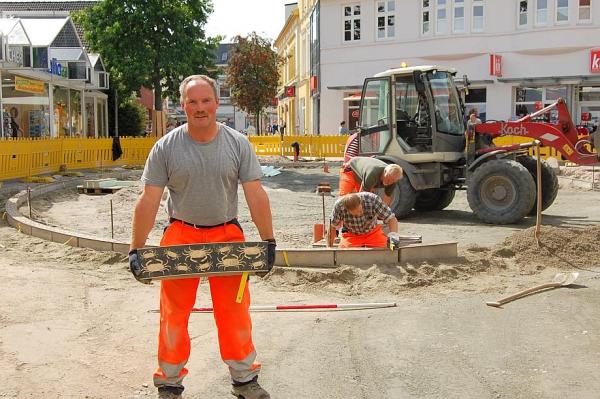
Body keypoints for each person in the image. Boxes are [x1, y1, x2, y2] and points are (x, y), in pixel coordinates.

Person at [128, 74, 275, 399]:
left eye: (205, 100)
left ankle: (244, 378)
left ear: (217, 102)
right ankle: (169, 381)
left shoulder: (237, 144)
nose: (199, 108)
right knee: (174, 314)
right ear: (183, 105)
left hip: (228, 234)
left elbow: (255, 193)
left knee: (234, 311)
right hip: (181, 234)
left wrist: (269, 241)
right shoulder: (166, 147)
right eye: (192, 102)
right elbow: (149, 199)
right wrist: (136, 248)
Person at [327, 192, 399, 248]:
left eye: (360, 211)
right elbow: (332, 226)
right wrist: (329, 247)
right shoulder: (339, 206)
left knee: (387, 248)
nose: (358, 214)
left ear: (361, 202)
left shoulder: (373, 199)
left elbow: (391, 218)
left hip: (372, 233)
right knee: (343, 253)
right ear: (347, 210)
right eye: (355, 214)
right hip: (352, 236)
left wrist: (393, 236)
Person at [339, 156, 403, 206]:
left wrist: (384, 215)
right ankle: (337, 220)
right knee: (345, 199)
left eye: (392, 181)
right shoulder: (372, 173)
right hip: (350, 170)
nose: (389, 182)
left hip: (362, 177)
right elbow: (362, 196)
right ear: (384, 171)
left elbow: (387, 198)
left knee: (360, 201)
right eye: (388, 179)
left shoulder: (393, 179)